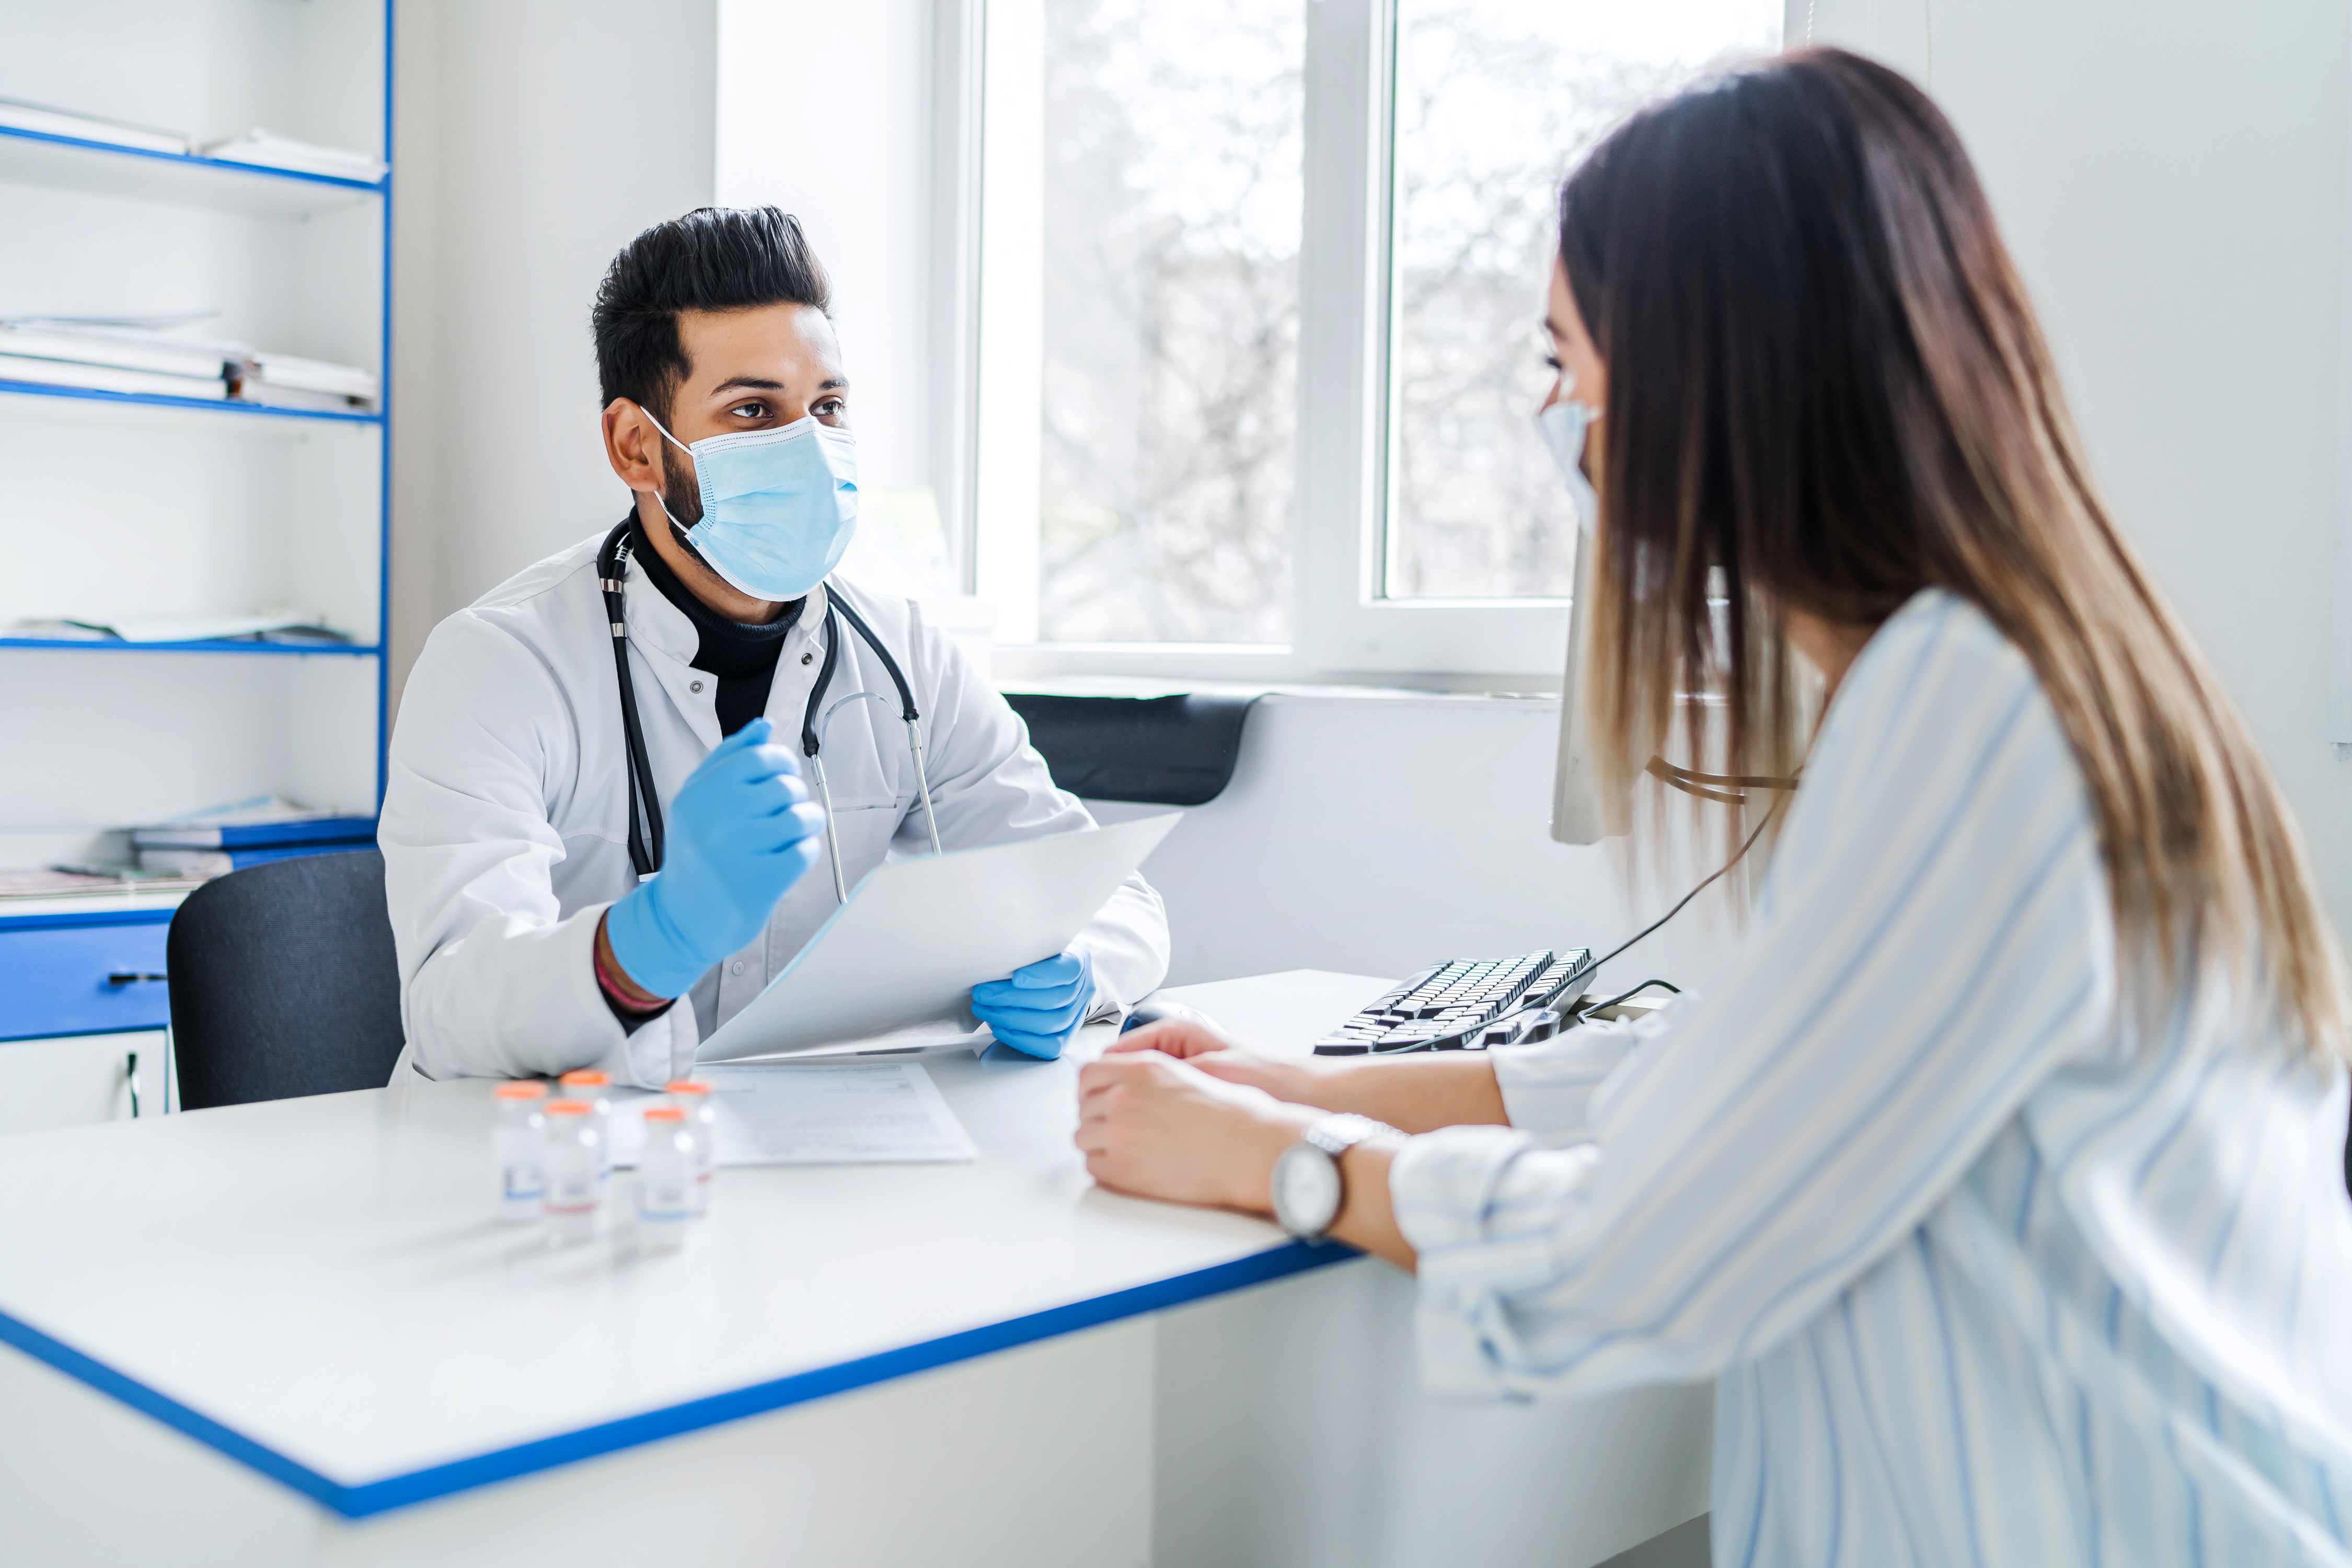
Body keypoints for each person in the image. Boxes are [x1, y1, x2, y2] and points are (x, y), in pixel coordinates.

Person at [1077, 50, 2352, 1564]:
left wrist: (1273, 1162)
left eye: (1564, 361)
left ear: (1710, 373)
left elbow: (1663, 1241)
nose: (1555, 417)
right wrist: (1307, 1084)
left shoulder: (1965, 710)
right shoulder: (2004, 671)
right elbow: (1750, 1082)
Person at [381, 207, 1168, 1085]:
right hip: (543, 1161)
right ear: (637, 447)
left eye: (826, 407)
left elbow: (1108, 895)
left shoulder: (905, 656)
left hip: (808, 1156)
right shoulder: (497, 667)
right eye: (754, 410)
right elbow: (450, 1009)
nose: (809, 448)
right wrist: (653, 939)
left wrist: (1083, 966)